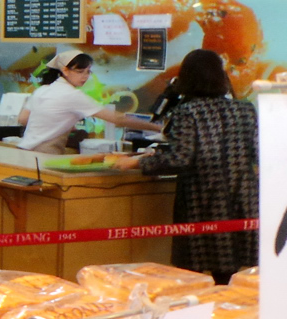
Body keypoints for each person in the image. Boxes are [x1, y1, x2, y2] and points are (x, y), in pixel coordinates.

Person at [115, 50, 258, 283]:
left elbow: (180, 158)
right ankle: (226, 303)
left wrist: (139, 161)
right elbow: (257, 152)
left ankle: (197, 304)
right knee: (231, 268)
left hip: (201, 197)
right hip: (242, 196)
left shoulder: (187, 111)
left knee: (194, 270)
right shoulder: (245, 109)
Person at [17, 49, 162, 153]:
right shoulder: (72, 95)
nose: (85, 77)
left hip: (25, 150)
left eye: (88, 72)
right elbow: (117, 119)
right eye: (80, 72)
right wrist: (157, 128)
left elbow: (23, 119)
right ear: (65, 71)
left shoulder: (42, 90)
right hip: (45, 152)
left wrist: (59, 122)